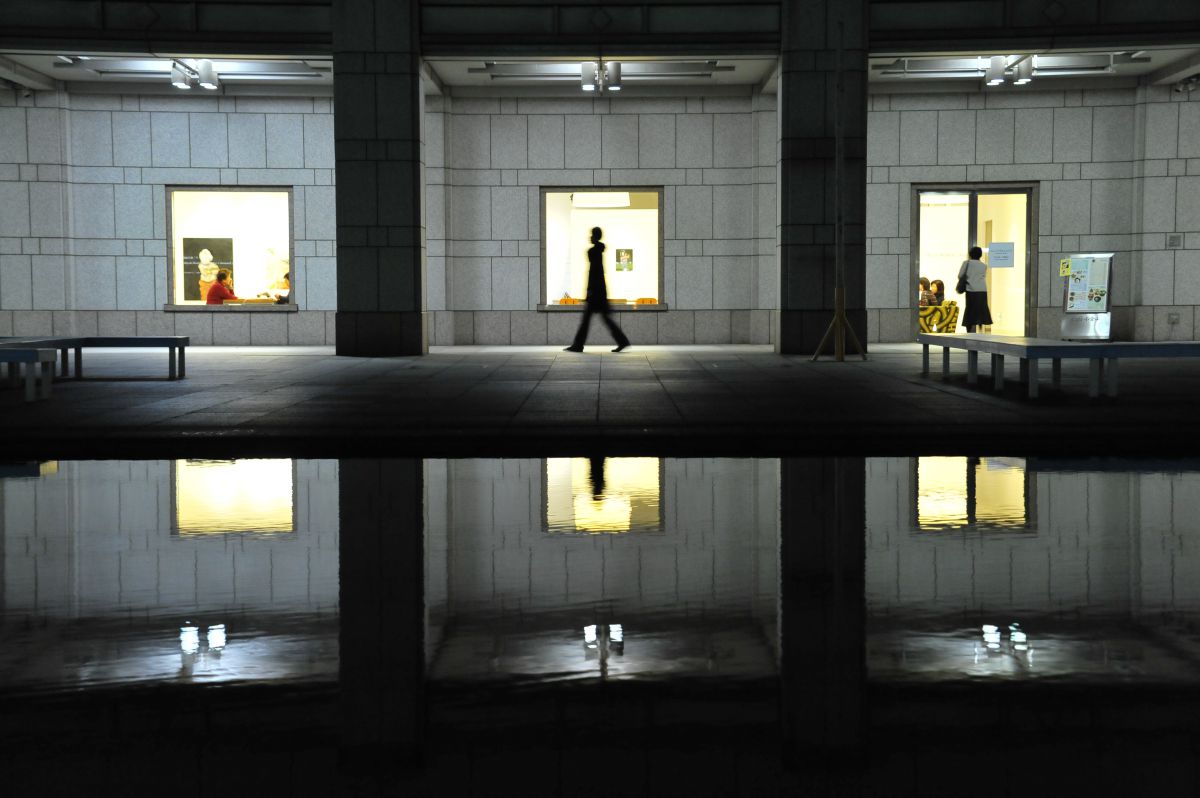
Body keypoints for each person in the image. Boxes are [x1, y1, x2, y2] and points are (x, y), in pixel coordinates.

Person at [564, 227, 631, 353]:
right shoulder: (599, 251)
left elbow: (594, 273)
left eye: (591, 235)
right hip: (600, 292)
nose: (589, 237)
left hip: (595, 293)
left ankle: (578, 345)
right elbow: (599, 273)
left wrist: (589, 291)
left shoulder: (593, 252)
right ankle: (622, 341)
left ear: (595, 236)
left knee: (586, 321)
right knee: (603, 320)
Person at [957, 246, 992, 332]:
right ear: (980, 255)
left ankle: (969, 328)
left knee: (970, 309)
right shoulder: (984, 265)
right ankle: (980, 324)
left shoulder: (967, 263)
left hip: (971, 289)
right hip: (982, 290)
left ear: (970, 254)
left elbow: (960, 275)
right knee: (981, 308)